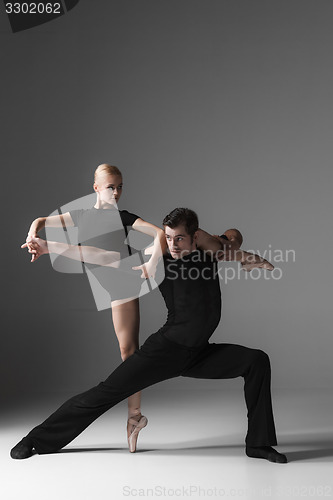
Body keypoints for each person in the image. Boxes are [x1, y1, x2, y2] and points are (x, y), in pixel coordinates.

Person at [13, 207, 287, 463]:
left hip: (199, 353)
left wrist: (244, 253)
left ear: (195, 237)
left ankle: (257, 444)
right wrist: (49, 247)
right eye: (168, 238)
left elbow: (232, 242)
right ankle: (35, 439)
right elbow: (101, 255)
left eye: (180, 238)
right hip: (165, 351)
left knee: (257, 361)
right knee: (104, 393)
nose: (173, 245)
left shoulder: (209, 252)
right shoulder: (159, 261)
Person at [22, 164, 167, 452]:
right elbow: (40, 220)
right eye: (111, 186)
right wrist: (31, 234)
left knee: (108, 254)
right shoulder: (80, 216)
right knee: (129, 354)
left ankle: (51, 247)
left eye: (120, 186)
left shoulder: (123, 217)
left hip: (124, 273)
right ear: (96, 188)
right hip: (110, 282)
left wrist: (151, 262)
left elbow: (160, 234)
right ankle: (135, 418)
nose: (116, 191)